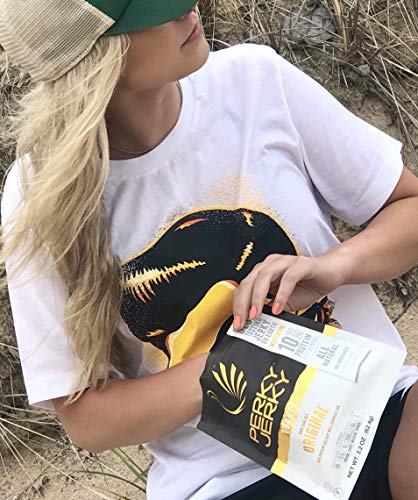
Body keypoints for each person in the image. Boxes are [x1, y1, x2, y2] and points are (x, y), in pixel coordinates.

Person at [0, 1, 418, 499]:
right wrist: (240, 360)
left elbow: (408, 208)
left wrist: (335, 265)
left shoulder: (254, 82)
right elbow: (88, 420)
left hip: (376, 416)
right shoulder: (41, 194)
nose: (187, 8)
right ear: (94, 57)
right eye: (150, 8)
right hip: (231, 481)